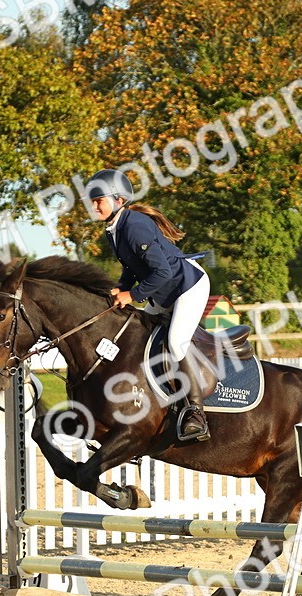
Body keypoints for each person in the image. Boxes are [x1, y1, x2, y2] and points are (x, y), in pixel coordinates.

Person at [86, 168, 211, 442]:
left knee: (176, 342)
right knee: (139, 335)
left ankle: (196, 413)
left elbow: (162, 272)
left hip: (187, 287)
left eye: (99, 200)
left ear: (118, 200)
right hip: (163, 292)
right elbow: (132, 266)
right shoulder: (114, 229)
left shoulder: (134, 226)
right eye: (92, 201)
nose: (94, 206)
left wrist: (131, 295)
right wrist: (122, 287)